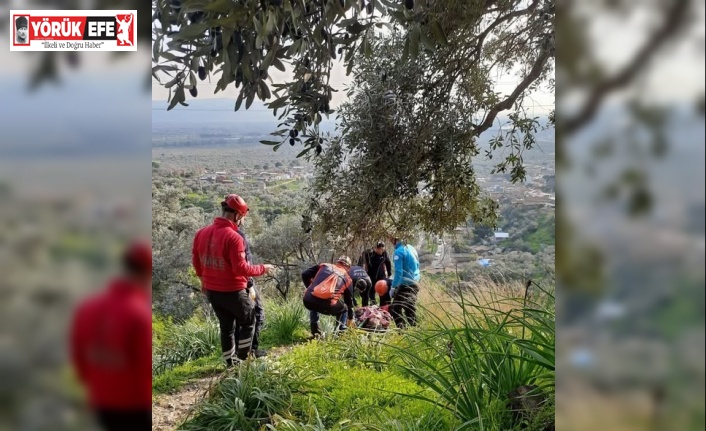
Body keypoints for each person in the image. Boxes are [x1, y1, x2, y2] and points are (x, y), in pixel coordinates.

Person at [69, 240, 152, 431]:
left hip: (99, 399)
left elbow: (79, 357)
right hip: (134, 404)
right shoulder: (138, 313)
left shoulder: (87, 308)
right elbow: (144, 365)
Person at [192, 194, 274, 366]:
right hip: (233, 290)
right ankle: (244, 359)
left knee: (226, 327)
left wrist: (203, 282)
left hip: (213, 292)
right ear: (237, 215)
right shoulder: (234, 237)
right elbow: (241, 269)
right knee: (250, 319)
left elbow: (197, 262)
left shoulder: (201, 233)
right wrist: (262, 269)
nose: (242, 221)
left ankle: (230, 363)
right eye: (242, 217)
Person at [233, 221, 267, 358]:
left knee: (235, 320)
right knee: (257, 314)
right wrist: (250, 284)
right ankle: (250, 352)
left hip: (223, 286)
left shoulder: (214, 233)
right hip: (242, 283)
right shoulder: (238, 236)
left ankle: (236, 353)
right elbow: (245, 262)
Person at [301, 256, 356, 337]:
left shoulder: (324, 265)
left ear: (337, 262)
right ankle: (339, 334)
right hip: (327, 305)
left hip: (308, 300)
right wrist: (350, 318)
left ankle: (315, 332)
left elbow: (304, 274)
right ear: (348, 267)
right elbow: (349, 302)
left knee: (314, 300)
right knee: (344, 309)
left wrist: (309, 288)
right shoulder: (347, 279)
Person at [389, 236, 421, 329]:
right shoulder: (411, 248)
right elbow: (417, 264)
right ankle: (416, 331)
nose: (390, 241)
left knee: (395, 309)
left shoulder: (398, 252)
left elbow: (399, 272)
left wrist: (393, 287)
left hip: (406, 285)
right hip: (415, 282)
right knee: (409, 308)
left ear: (395, 240)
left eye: (391, 239)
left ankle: (402, 332)